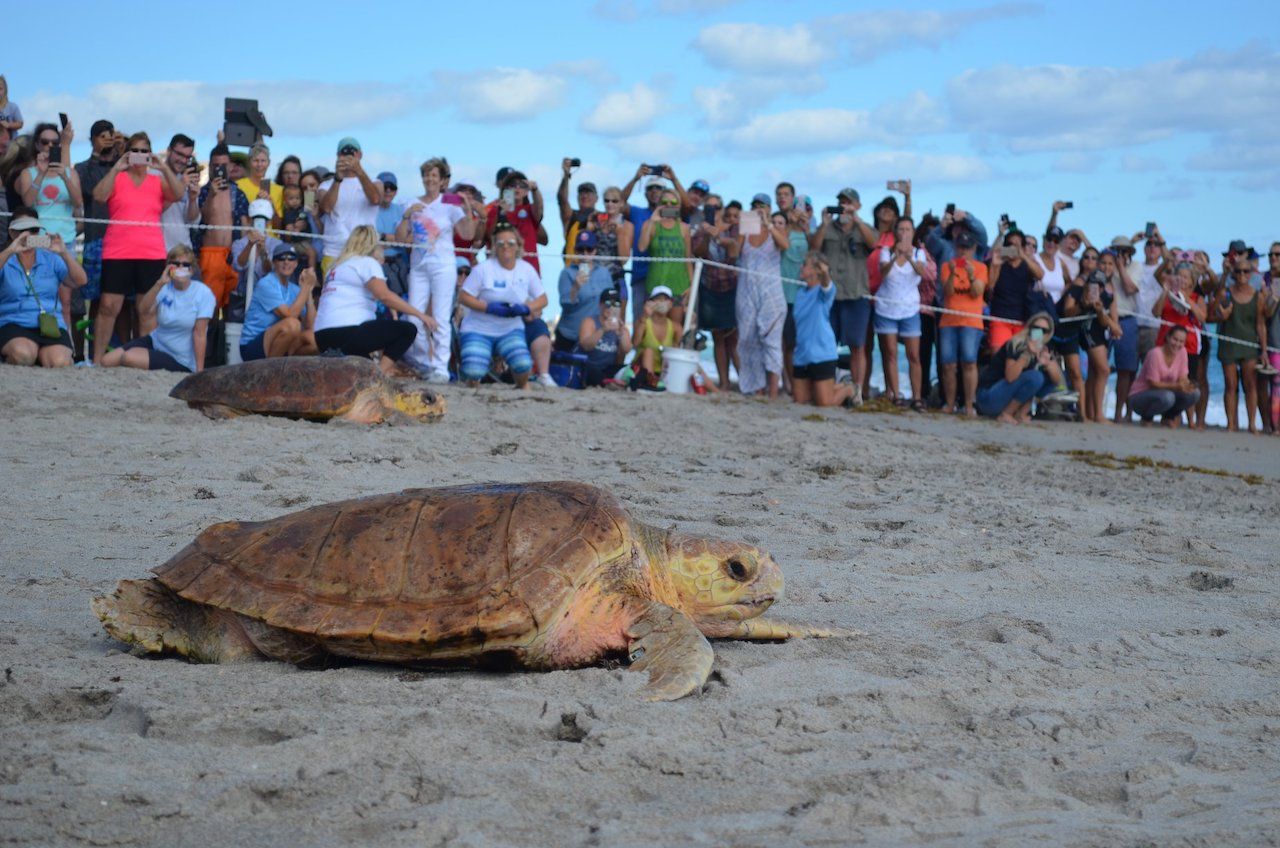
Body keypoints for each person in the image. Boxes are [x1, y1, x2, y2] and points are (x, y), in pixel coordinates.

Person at [91, 132, 184, 366]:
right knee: (108, 306)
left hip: (151, 252)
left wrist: (163, 167)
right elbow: (99, 196)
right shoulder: (118, 177)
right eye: (136, 151)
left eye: (145, 151)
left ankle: (143, 360)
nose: (141, 155)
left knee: (147, 310)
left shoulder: (158, 180)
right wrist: (116, 168)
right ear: (128, 153)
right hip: (117, 250)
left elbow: (179, 194)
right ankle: (97, 360)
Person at [396, 158, 479, 382]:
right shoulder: (411, 202)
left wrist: (468, 208)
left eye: (434, 175)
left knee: (441, 317)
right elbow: (401, 239)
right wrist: (406, 216)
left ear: (442, 180)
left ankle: (441, 368)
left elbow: (468, 234)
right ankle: (426, 362)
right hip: (419, 266)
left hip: (444, 265)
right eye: (426, 175)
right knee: (414, 317)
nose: (430, 179)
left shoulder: (449, 202)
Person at [312, 225, 431, 375]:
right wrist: (420, 315)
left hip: (322, 337)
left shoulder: (334, 267)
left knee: (363, 368)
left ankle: (371, 374)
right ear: (373, 245)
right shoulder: (366, 262)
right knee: (407, 330)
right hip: (348, 332)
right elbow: (384, 296)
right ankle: (378, 376)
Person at [456, 222, 546, 388]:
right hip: (478, 328)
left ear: (518, 246)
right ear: (494, 247)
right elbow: (464, 297)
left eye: (511, 243)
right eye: (500, 243)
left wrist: (526, 308)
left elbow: (542, 299)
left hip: (510, 328)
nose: (506, 247)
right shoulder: (483, 269)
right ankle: (472, 384)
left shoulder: (526, 269)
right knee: (474, 370)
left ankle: (522, 387)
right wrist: (488, 307)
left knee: (523, 364)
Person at [100, 245, 214, 373]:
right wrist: (160, 283)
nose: (180, 268)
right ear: (168, 267)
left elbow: (200, 334)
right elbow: (143, 310)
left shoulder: (203, 293)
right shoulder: (165, 287)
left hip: (179, 357)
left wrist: (199, 371)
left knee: (129, 357)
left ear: (192, 270)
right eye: (175, 264)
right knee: (106, 361)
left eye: (185, 265)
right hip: (156, 341)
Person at [812, 188, 877, 403]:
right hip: (829, 295)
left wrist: (856, 220)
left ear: (857, 205)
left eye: (848, 203)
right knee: (825, 343)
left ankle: (857, 390)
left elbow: (873, 244)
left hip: (856, 294)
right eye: (841, 202)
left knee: (858, 346)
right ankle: (827, 387)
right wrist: (823, 223)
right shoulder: (828, 227)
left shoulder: (864, 228)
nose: (844, 206)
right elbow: (814, 248)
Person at [0, 210, 86, 367]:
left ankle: (40, 353)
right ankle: (30, 352)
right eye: (24, 231)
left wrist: (64, 253)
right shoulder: (5, 258)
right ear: (12, 233)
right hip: (13, 322)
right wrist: (11, 250)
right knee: (23, 355)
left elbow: (80, 281)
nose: (30, 235)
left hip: (49, 324)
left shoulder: (51, 258)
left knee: (59, 362)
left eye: (35, 230)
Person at [19, 121, 83, 330]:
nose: (49, 146)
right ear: (37, 145)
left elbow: (78, 202)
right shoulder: (28, 173)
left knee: (65, 300)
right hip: (38, 238)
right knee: (37, 292)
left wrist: (63, 174)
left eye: (54, 142)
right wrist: (41, 173)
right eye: (44, 142)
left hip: (64, 240)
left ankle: (67, 346)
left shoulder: (70, 173)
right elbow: (28, 202)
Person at [875, 216, 935, 410]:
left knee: (913, 355)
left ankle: (917, 397)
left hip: (910, 309)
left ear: (913, 232)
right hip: (887, 308)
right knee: (890, 353)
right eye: (901, 229)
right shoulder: (885, 252)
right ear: (895, 232)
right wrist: (895, 256)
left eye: (908, 229)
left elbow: (921, 272)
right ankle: (895, 394)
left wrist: (908, 255)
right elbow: (882, 273)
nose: (904, 233)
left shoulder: (919, 253)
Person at [737, 196, 790, 399]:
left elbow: (785, 245)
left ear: (769, 209)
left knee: (772, 342)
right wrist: (743, 228)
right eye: (755, 206)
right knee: (747, 340)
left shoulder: (775, 228)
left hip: (772, 293)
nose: (758, 209)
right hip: (746, 290)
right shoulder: (747, 228)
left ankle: (773, 393)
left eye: (762, 206)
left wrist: (768, 223)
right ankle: (756, 388)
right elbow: (735, 251)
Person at [792, 251, 854, 408]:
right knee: (801, 400)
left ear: (815, 271)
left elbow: (827, 284)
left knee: (824, 403)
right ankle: (837, 386)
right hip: (802, 354)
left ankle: (849, 389)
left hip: (821, 353)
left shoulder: (823, 293)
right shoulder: (800, 293)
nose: (801, 267)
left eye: (805, 264)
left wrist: (825, 271)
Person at [976, 312, 1063, 424]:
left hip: (1003, 396)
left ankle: (1021, 413)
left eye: (1044, 330)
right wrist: (1026, 355)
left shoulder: (1045, 349)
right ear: (1029, 328)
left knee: (1048, 378)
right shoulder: (1016, 343)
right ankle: (1007, 413)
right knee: (1036, 377)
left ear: (1048, 334)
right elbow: (1010, 377)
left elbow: (1057, 381)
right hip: (989, 397)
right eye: (1036, 328)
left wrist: (1048, 364)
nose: (1039, 333)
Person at [692, 199, 741, 390]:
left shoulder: (733, 229)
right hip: (710, 286)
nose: (713, 211)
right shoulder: (700, 230)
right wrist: (706, 235)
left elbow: (735, 252)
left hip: (731, 287)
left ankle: (745, 382)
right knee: (718, 338)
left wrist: (720, 236)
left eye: (716, 207)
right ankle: (724, 382)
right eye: (709, 208)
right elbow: (698, 253)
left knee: (734, 339)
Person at [195, 144, 252, 309]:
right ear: (211, 167)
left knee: (233, 308)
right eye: (216, 165)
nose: (219, 169)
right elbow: (201, 218)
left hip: (233, 257)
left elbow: (245, 225)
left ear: (231, 167)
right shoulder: (202, 192)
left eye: (223, 165)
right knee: (208, 308)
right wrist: (212, 194)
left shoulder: (238, 193)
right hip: (210, 255)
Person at [938, 229, 987, 416]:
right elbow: (948, 292)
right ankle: (950, 404)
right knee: (948, 364)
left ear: (974, 248)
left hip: (971, 321)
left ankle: (968, 404)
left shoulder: (981, 267)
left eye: (967, 248)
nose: (963, 252)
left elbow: (977, 292)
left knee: (969, 362)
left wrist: (972, 275)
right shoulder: (946, 266)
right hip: (949, 320)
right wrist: (951, 274)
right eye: (960, 247)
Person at [1152, 262, 1208, 428]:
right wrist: (1165, 292)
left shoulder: (1197, 298)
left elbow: (1202, 317)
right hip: (1165, 343)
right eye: (1179, 276)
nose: (1182, 279)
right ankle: (1168, 416)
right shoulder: (1169, 295)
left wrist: (1188, 300)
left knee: (1188, 382)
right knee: (1166, 380)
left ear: (1192, 281)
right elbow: (1155, 312)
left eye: (1185, 276)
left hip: (1188, 345)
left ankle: (1191, 420)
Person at [239, 244, 318, 361]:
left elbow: (311, 326)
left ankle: (287, 372)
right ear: (274, 263)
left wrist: (309, 292)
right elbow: (290, 315)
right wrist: (306, 286)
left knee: (313, 339)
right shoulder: (266, 283)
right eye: (281, 258)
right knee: (292, 324)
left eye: (291, 258)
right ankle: (270, 373)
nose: (286, 262)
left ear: (296, 263)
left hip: (280, 342)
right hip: (253, 345)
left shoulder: (295, 289)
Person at [317, 137, 383, 275]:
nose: (348, 155)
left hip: (365, 250)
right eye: (343, 152)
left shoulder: (376, 182)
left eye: (352, 152)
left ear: (360, 155)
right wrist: (338, 178)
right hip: (334, 251)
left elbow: (376, 199)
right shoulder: (326, 185)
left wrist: (359, 171)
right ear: (338, 155)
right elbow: (326, 208)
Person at [1216, 264, 1267, 433]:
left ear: (1251, 273)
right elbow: (1215, 312)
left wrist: (1264, 350)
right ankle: (1231, 424)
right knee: (1230, 385)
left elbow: (1260, 324)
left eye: (1245, 271)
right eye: (1238, 271)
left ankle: (1252, 424)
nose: (1242, 274)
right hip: (1229, 342)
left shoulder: (1257, 296)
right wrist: (1222, 314)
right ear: (1233, 273)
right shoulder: (1226, 292)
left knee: (1250, 385)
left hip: (1249, 344)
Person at [1070, 264, 1121, 424]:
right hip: (1089, 332)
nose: (1096, 288)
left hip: (1101, 332)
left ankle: (1092, 413)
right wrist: (1086, 304)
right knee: (1104, 370)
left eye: (1100, 285)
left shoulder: (1108, 297)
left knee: (1095, 372)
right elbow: (1069, 313)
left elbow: (1111, 322)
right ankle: (1098, 414)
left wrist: (1103, 315)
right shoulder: (1081, 294)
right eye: (1093, 284)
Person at [638, 188, 692, 326]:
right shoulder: (650, 224)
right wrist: (652, 221)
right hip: (656, 285)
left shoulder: (684, 228)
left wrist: (691, 285)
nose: (668, 205)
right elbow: (642, 247)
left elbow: (687, 258)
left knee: (675, 330)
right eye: (664, 202)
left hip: (678, 285)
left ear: (678, 206)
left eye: (673, 202)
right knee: (652, 329)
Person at [1128, 326, 1200, 428]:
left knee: (1194, 393)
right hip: (1140, 395)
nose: (1177, 344)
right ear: (1167, 337)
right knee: (1168, 397)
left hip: (1165, 392)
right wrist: (1177, 386)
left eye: (1181, 341)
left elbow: (1183, 376)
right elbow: (1153, 383)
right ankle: (1147, 417)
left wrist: (1186, 385)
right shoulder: (1155, 354)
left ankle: (1168, 417)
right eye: (1175, 339)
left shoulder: (1182, 352)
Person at [987, 227, 1043, 352]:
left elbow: (1040, 275)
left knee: (1022, 357)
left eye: (1017, 245)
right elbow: (990, 287)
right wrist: (995, 264)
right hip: (1000, 317)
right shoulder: (1000, 263)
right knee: (998, 355)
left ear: (1023, 247)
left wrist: (1023, 255)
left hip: (1024, 319)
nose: (1013, 248)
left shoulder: (1028, 264)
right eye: (1010, 245)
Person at [556, 231, 615, 351]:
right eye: (580, 249)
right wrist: (576, 287)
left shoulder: (604, 273)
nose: (585, 253)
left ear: (595, 250)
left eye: (589, 249)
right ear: (575, 251)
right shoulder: (567, 273)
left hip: (595, 335)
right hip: (570, 335)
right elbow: (565, 305)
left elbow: (611, 302)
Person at [484, 170, 546, 275]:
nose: (517, 188)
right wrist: (501, 213)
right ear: (505, 190)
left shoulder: (530, 210)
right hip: (501, 268)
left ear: (526, 191)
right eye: (512, 185)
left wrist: (535, 190)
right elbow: (490, 236)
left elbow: (539, 208)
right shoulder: (495, 210)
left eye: (522, 185)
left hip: (529, 268)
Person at [1108, 237, 1142, 422]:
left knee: (1127, 370)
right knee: (1097, 367)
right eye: (1117, 251)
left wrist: (1120, 267)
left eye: (1125, 251)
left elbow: (1130, 289)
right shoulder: (1106, 265)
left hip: (1127, 318)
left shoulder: (1136, 267)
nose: (1121, 255)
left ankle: (1122, 413)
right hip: (1106, 319)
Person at [778, 204, 809, 394]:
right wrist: (790, 223)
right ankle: (788, 383)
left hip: (804, 297)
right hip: (783, 294)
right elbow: (781, 243)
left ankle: (800, 383)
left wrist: (806, 227)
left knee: (799, 344)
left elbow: (816, 248)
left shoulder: (808, 232)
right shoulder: (784, 229)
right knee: (785, 344)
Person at [575, 288, 632, 387]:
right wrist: (603, 330)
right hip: (588, 365)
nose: (611, 308)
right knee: (593, 372)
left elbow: (626, 350)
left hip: (607, 368)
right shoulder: (590, 322)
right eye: (608, 303)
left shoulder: (621, 328)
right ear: (600, 305)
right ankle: (608, 382)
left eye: (616, 304)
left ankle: (610, 382)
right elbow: (586, 346)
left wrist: (621, 333)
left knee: (630, 372)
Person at [157, 134, 199, 253]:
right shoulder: (154, 175)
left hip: (183, 251)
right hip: (158, 250)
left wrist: (192, 200)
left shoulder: (187, 178)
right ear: (169, 151)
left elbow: (192, 220)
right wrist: (180, 187)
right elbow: (154, 211)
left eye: (187, 157)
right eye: (180, 154)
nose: (183, 160)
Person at [631, 286, 677, 389]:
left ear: (671, 304)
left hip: (663, 370)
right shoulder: (643, 321)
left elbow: (681, 350)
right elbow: (634, 344)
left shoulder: (675, 327)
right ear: (651, 302)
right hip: (641, 367)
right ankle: (650, 381)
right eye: (659, 299)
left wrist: (691, 323)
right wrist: (644, 316)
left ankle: (716, 391)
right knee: (648, 351)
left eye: (665, 299)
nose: (662, 302)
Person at [373, 171, 407, 297]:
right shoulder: (369, 209)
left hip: (399, 264)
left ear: (396, 191)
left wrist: (382, 237)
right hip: (377, 264)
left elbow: (405, 240)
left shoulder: (400, 210)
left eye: (392, 187)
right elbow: (370, 239)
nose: (388, 190)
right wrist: (393, 239)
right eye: (384, 187)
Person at [595, 186, 634, 292]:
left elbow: (624, 259)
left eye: (614, 201)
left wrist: (619, 233)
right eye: (607, 200)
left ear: (621, 203)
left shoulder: (627, 225)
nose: (610, 204)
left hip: (615, 275)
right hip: (595, 274)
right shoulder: (596, 221)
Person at [236, 142, 283, 218]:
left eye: (263, 161)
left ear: (269, 163)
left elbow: (279, 226)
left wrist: (271, 207)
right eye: (256, 160)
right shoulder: (238, 186)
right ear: (249, 162)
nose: (259, 165)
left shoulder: (279, 190)